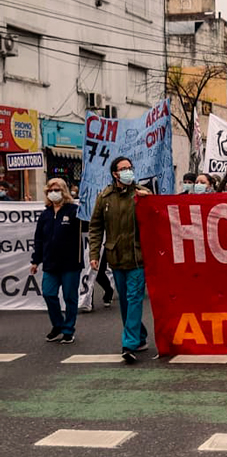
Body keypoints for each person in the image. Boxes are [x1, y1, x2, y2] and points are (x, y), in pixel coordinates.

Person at [88, 156, 152, 364]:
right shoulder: (105, 197)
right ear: (115, 173)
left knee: (134, 299)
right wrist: (94, 254)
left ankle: (129, 344)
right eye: (123, 168)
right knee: (125, 301)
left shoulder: (141, 193)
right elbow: (96, 227)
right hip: (116, 257)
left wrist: (147, 200)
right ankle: (140, 336)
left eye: (130, 168)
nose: (128, 171)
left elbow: (155, 218)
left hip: (137, 257)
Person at [31, 178, 83, 344]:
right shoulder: (45, 214)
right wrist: (35, 261)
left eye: (57, 189)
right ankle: (57, 325)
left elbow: (88, 227)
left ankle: (68, 330)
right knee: (48, 293)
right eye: (50, 190)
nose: (54, 193)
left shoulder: (74, 211)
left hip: (70, 264)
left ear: (64, 191)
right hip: (50, 264)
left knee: (70, 297)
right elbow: (39, 239)